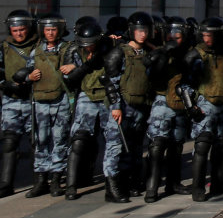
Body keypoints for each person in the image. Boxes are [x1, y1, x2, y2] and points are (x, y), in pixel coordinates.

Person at [62, 18, 128, 202]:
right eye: (85, 45)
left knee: (113, 141)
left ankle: (111, 186)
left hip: (109, 96)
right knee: (78, 139)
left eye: (91, 44)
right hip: (87, 95)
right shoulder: (76, 50)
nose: (88, 48)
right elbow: (69, 79)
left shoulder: (113, 47)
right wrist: (85, 65)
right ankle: (71, 185)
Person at [179, 17, 223, 202]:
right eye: (204, 35)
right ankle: (197, 187)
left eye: (211, 35)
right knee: (202, 146)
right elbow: (183, 84)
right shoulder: (195, 55)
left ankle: (218, 183)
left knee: (220, 146)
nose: (207, 39)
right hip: (205, 104)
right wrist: (191, 107)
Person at [104, 12, 156, 198]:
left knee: (134, 148)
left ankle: (132, 182)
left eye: (146, 31)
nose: (143, 34)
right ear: (132, 30)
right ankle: (112, 188)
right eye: (139, 30)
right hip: (123, 107)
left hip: (141, 108)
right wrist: (116, 106)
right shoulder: (120, 52)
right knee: (115, 147)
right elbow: (110, 82)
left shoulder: (148, 53)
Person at [143, 16, 194, 202]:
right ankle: (152, 186)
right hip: (162, 102)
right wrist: (164, 54)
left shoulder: (190, 52)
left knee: (176, 145)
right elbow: (151, 74)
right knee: (157, 145)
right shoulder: (158, 52)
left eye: (178, 36)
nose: (174, 39)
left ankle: (174, 182)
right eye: (170, 35)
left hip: (181, 103)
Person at [24, 13, 72, 198]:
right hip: (40, 100)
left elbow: (77, 68)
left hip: (60, 101)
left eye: (53, 29)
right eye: (47, 29)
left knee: (60, 140)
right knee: (40, 140)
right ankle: (40, 180)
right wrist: (29, 76)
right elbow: (27, 71)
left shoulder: (67, 49)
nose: (50, 33)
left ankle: (56, 179)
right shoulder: (36, 51)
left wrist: (72, 68)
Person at [0, 10, 39, 197]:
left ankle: (38, 181)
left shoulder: (39, 46)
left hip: (34, 99)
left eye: (22, 30)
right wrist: (8, 85)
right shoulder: (4, 47)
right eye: (15, 31)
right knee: (9, 141)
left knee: (36, 142)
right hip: (12, 100)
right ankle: (6, 183)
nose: (19, 34)